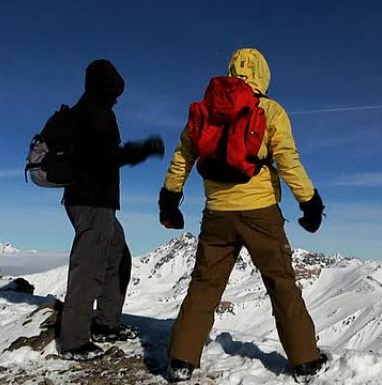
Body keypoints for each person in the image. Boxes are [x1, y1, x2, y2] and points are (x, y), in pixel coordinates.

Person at [158, 48, 327, 383]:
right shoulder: (270, 110)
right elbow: (288, 161)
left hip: (217, 212)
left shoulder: (205, 110)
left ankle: (181, 360)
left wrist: (170, 199)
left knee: (205, 284)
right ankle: (305, 360)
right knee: (281, 283)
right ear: (263, 75)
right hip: (260, 211)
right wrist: (310, 203)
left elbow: (182, 158)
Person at [58, 59, 165, 361]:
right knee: (89, 266)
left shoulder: (91, 111)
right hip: (91, 201)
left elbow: (104, 157)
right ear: (105, 87)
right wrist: (143, 150)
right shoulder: (95, 114)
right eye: (115, 91)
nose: (118, 97)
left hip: (94, 202)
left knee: (118, 255)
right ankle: (74, 340)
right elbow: (107, 159)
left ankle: (106, 324)